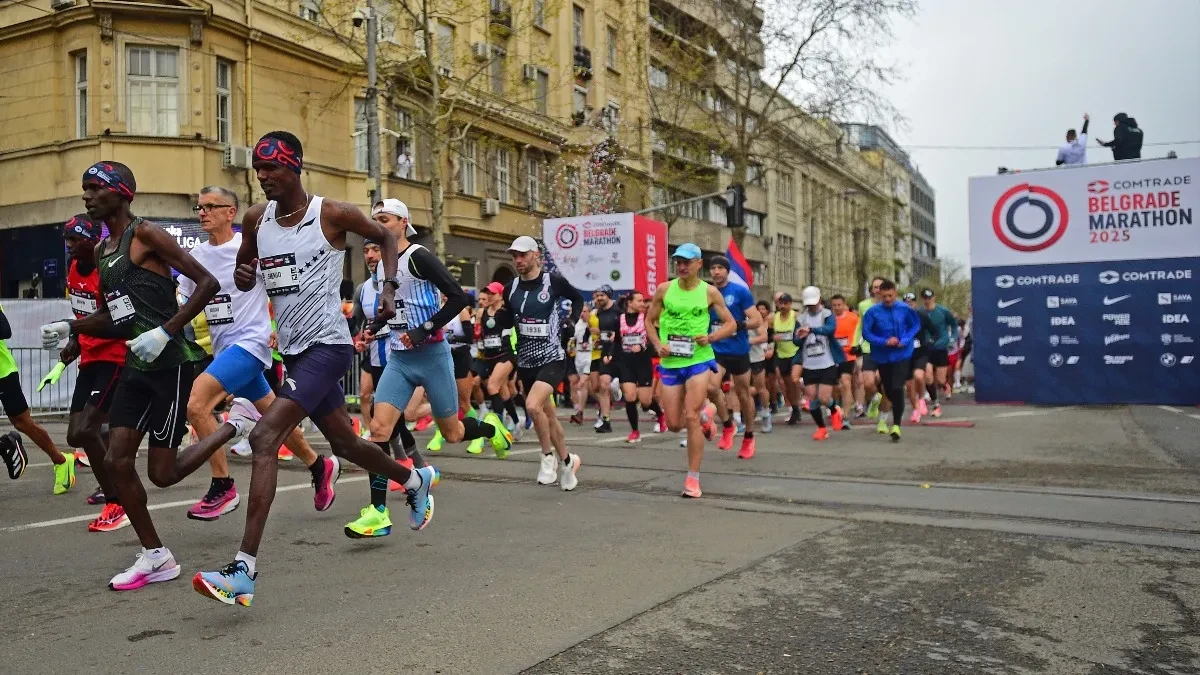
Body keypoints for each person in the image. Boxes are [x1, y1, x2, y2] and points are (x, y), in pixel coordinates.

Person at [188, 131, 438, 606]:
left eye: (273, 169)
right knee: (345, 443)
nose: (263, 177)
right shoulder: (257, 219)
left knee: (265, 437)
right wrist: (245, 273)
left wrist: (386, 287)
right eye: (259, 170)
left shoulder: (330, 214)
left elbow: (385, 235)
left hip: (329, 345)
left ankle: (244, 570)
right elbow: (247, 268)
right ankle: (414, 479)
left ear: (295, 166)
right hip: (296, 351)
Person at [40, 160, 246, 591]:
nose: (87, 196)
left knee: (163, 474)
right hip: (135, 364)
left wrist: (165, 331)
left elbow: (207, 283)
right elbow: (114, 316)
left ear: (121, 192)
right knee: (116, 461)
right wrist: (72, 328)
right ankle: (156, 555)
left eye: (95, 188)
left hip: (170, 364)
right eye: (85, 189)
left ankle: (233, 427)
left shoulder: (147, 234)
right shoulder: (101, 251)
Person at [345, 198, 509, 539]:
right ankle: (377, 512)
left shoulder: (417, 256)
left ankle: (493, 430)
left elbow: (458, 296)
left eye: (385, 220)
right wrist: (371, 331)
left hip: (432, 357)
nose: (379, 225)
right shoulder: (381, 269)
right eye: (375, 220)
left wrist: (424, 329)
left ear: (403, 223)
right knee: (379, 430)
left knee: (453, 433)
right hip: (399, 360)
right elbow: (392, 311)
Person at [177, 186, 332, 521]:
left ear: (231, 212)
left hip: (251, 343)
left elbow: (284, 287)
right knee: (275, 417)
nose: (202, 212)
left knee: (197, 405)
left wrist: (281, 326)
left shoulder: (247, 248)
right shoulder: (197, 257)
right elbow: (186, 300)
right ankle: (319, 465)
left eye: (210, 206)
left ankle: (223, 485)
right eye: (198, 207)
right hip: (224, 348)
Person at [45, 215, 127, 526]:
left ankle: (116, 499)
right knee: (76, 434)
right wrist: (75, 343)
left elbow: (119, 320)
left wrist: (75, 330)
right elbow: (83, 314)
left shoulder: (107, 271)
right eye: (67, 240)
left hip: (114, 357)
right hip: (89, 359)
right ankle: (118, 478)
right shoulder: (73, 269)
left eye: (75, 240)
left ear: (93, 240)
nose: (69, 246)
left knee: (87, 430)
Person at [646, 243, 736, 498]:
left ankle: (693, 479)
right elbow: (649, 321)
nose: (682, 267)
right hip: (672, 362)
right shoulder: (665, 289)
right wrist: (657, 344)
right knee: (674, 424)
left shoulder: (709, 292)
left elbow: (730, 325)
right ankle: (708, 413)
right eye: (678, 262)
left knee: (690, 416)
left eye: (687, 262)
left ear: (698, 264)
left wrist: (711, 337)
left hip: (698, 359)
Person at [503, 236, 584, 489]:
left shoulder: (553, 282)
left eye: (523, 255)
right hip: (526, 361)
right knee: (548, 416)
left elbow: (578, 299)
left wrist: (571, 322)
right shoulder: (511, 287)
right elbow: (509, 319)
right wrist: (508, 346)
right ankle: (568, 461)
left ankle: (547, 457)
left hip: (551, 357)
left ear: (536, 255)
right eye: (514, 256)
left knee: (532, 405)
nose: (518, 260)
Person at [2, 307, 74, 492]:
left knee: (23, 423)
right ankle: (5, 445)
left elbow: (4, 330)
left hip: (3, 372)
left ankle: (61, 461)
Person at [705, 256, 761, 459]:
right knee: (711, 387)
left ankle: (749, 436)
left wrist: (739, 325)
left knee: (743, 393)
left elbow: (756, 320)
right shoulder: (706, 292)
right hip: (715, 349)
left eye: (720, 267)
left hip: (738, 350)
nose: (716, 271)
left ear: (727, 271)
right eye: (713, 268)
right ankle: (728, 425)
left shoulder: (739, 292)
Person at [860, 279, 920, 442]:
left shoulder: (905, 309)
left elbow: (914, 326)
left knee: (897, 386)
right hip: (882, 355)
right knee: (889, 388)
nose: (887, 299)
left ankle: (897, 425)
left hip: (902, 354)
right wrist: (884, 341)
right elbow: (866, 333)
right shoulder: (872, 312)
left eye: (890, 296)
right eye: (884, 296)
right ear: (878, 294)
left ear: (895, 293)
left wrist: (905, 339)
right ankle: (887, 412)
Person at [470, 281, 519, 454]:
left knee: (492, 386)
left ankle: (497, 429)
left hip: (506, 355)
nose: (489, 296)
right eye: (487, 294)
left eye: (492, 294)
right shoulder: (482, 312)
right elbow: (477, 333)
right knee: (503, 391)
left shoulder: (505, 312)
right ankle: (516, 420)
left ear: (500, 295)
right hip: (488, 356)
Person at [608, 291, 662, 443]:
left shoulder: (646, 319)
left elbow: (655, 340)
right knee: (630, 397)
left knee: (645, 401)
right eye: (639, 301)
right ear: (629, 303)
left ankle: (660, 415)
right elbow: (617, 341)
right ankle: (635, 431)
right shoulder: (620, 319)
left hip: (643, 363)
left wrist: (642, 346)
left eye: (643, 301)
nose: (643, 304)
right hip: (627, 363)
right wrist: (610, 355)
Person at [794, 286, 845, 440]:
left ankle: (834, 410)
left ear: (819, 300)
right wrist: (800, 335)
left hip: (827, 362)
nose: (811, 307)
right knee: (811, 399)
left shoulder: (827, 314)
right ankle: (822, 428)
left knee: (823, 397)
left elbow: (830, 329)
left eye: (813, 303)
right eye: (808, 304)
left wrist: (811, 330)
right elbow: (795, 340)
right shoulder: (801, 318)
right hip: (809, 363)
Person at [351, 239, 386, 438]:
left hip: (396, 351)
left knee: (390, 403)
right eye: (365, 251)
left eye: (375, 249)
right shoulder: (362, 289)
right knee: (365, 394)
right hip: (372, 351)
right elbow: (355, 320)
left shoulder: (397, 283)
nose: (369, 255)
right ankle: (369, 429)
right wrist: (358, 336)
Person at [917, 288, 957, 419]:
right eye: (925, 298)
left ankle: (945, 385)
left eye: (930, 298)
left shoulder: (943, 311)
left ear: (934, 298)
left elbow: (954, 325)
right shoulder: (920, 312)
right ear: (922, 299)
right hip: (926, 348)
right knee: (928, 376)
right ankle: (936, 404)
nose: (927, 301)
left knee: (940, 380)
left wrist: (952, 338)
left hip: (940, 347)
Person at [588, 285, 620, 433]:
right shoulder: (597, 313)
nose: (599, 298)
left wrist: (616, 335)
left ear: (608, 295)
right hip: (601, 351)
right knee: (597, 386)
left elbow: (624, 328)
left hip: (615, 352)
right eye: (597, 295)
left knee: (604, 385)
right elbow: (601, 334)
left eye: (602, 295)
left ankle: (606, 419)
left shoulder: (618, 310)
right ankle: (605, 416)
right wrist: (599, 338)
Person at [853, 277, 885, 419]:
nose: (877, 290)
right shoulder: (863, 306)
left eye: (880, 287)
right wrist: (855, 343)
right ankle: (875, 398)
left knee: (880, 379)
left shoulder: (890, 305)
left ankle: (885, 413)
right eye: (875, 287)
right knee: (867, 382)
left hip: (885, 348)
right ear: (871, 289)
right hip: (868, 347)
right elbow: (860, 326)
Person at [772, 293, 804, 425]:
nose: (783, 306)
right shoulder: (773, 318)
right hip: (782, 354)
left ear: (790, 304)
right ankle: (795, 408)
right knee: (787, 384)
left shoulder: (795, 316)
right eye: (781, 303)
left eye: (786, 303)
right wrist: (772, 338)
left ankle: (800, 402)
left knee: (793, 380)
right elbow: (768, 333)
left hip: (795, 352)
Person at [829, 294, 857, 430]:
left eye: (839, 305)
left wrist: (857, 348)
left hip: (847, 356)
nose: (837, 308)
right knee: (834, 387)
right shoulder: (828, 319)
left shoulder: (853, 318)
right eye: (834, 305)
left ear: (844, 304)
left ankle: (846, 416)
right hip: (832, 356)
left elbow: (859, 334)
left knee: (846, 383)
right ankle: (835, 409)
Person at [750, 301, 774, 434]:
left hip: (756, 357)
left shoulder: (754, 318)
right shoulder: (731, 317)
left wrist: (748, 342)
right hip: (740, 357)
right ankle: (741, 418)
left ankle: (766, 413)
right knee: (738, 389)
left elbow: (764, 337)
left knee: (760, 388)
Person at [569, 304, 593, 424]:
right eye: (581, 312)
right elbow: (572, 340)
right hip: (578, 357)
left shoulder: (595, 324)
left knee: (583, 383)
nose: (582, 314)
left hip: (591, 357)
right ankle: (577, 409)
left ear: (590, 312)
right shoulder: (577, 325)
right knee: (574, 383)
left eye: (585, 311)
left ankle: (580, 412)